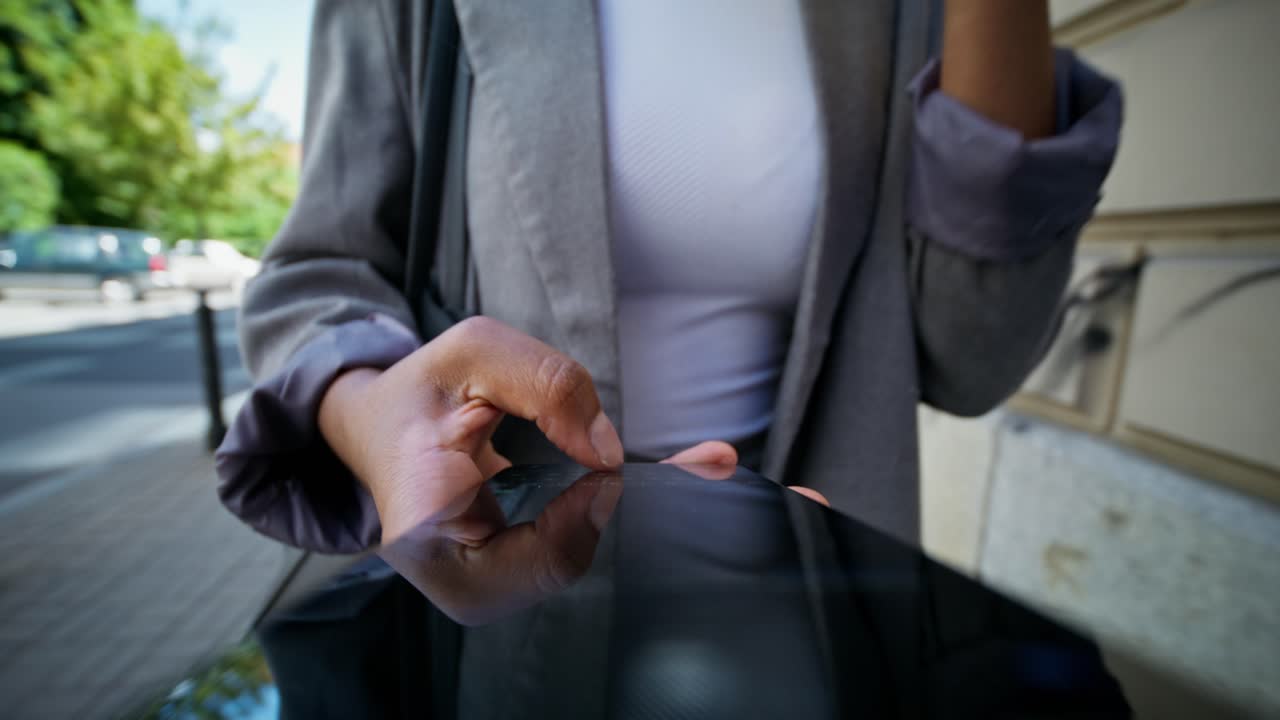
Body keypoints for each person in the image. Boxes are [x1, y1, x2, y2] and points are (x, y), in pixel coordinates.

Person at [216, 0, 1120, 599]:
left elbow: (971, 355)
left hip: (822, 613)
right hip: (502, 623)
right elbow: (320, 270)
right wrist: (377, 417)